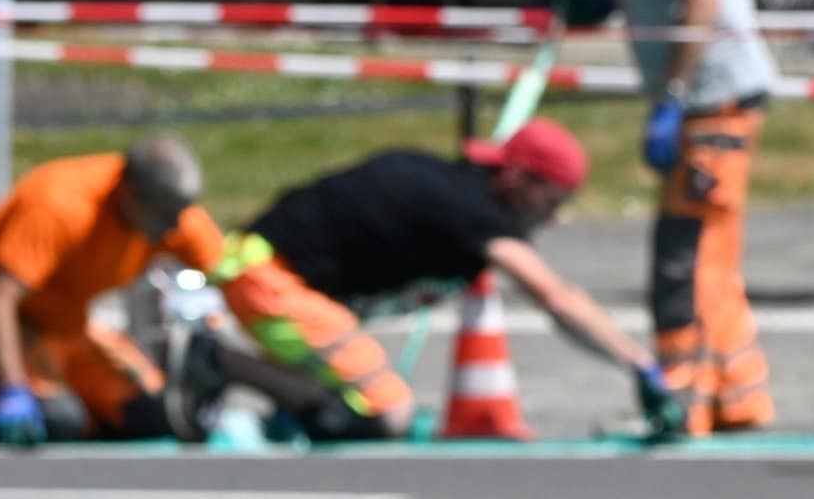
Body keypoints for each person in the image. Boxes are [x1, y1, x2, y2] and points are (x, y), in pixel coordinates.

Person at [204, 118, 684, 442]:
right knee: (384, 412)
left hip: (279, 280)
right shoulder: (470, 211)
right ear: (518, 180)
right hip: (268, 281)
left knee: (342, 403)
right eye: (552, 202)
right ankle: (214, 360)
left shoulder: (460, 197)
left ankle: (267, 394)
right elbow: (555, 298)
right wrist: (639, 364)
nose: (554, 219)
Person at [562, 0, 776, 435]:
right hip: (722, 94)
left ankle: (682, 396)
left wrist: (674, 95)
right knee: (714, 249)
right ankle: (736, 394)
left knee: (684, 258)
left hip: (709, 99)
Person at [0, 135, 227, 446]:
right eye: (165, 216)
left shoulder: (172, 214)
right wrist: (13, 387)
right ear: (131, 194)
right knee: (58, 419)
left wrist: (222, 336)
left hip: (68, 327)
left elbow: (226, 271)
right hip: (0, 324)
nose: (174, 228)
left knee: (152, 413)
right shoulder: (59, 205)